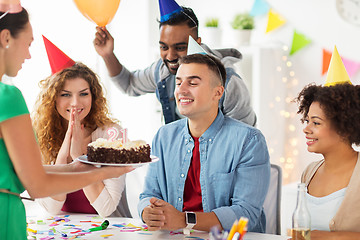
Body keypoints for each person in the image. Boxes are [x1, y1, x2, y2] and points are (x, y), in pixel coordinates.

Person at [0, 4, 133, 239]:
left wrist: (76, 164)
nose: (29, 55)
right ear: (5, 37)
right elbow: (38, 185)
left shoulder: (111, 134)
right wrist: (100, 172)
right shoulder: (8, 98)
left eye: (83, 93)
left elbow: (35, 175)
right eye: (28, 44)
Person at [137, 54, 270, 233]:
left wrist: (184, 220)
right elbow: (149, 195)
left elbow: (247, 214)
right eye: (178, 83)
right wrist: (147, 212)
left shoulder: (249, 141)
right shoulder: (164, 136)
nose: (181, 90)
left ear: (218, 92)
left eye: (192, 83)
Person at [93, 2, 256, 126]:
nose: (170, 56)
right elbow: (129, 84)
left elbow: (245, 140)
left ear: (197, 43)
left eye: (180, 47)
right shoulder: (161, 70)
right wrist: (108, 55)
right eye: (164, 47)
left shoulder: (228, 82)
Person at [33, 62, 132, 218]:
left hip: (108, 229)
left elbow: (106, 209)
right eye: (65, 94)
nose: (75, 103)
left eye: (83, 94)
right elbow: (52, 208)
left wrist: (79, 158)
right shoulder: (39, 137)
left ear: (93, 96)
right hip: (62, 230)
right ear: (53, 98)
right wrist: (62, 157)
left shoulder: (111, 134)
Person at [295, 83, 360, 239]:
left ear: (344, 127)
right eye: (307, 121)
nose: (306, 129)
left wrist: (329, 237)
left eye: (316, 123)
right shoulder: (309, 172)